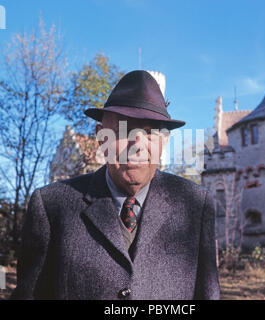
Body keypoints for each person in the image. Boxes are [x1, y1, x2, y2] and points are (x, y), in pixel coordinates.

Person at [11, 70, 220, 300]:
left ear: (165, 141)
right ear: (101, 136)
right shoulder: (51, 206)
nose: (137, 144)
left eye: (150, 132)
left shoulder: (194, 205)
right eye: (124, 129)